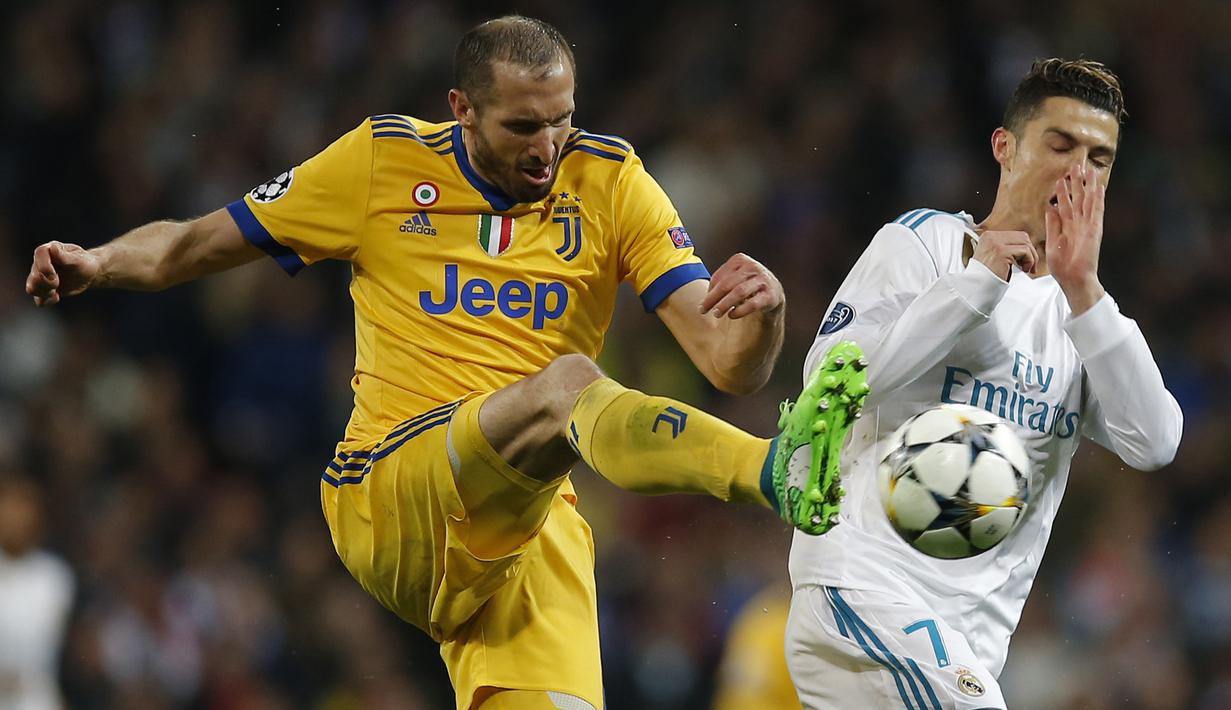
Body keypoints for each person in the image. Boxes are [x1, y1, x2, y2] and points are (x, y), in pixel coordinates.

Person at [24, 15, 867, 710]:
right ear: (461, 107)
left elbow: (729, 366)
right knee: (569, 385)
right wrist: (99, 261)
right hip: (391, 487)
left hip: (529, 531)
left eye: (562, 118)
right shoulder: (382, 162)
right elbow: (188, 246)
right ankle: (772, 472)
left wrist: (765, 319)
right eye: (523, 126)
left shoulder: (611, 183)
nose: (548, 146)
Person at [785, 58, 1183, 709]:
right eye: (1059, 144)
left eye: (1098, 158)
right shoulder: (927, 245)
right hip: (864, 597)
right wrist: (977, 285)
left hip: (962, 647)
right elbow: (829, 384)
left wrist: (1084, 290)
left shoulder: (1080, 319)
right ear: (1005, 147)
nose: (1076, 170)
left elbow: (1154, 440)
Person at [0, 477, 75, 710]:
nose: (16, 519)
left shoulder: (54, 577)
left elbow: (47, 648)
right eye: (9, 509)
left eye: (25, 510)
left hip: (35, 698)